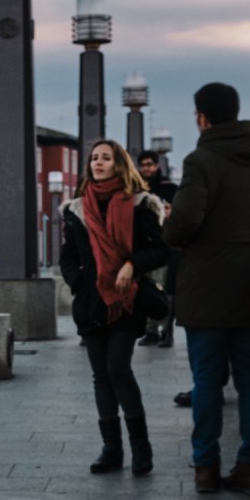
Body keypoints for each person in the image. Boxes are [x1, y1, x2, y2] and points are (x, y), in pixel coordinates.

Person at [163, 83, 250, 495]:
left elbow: (184, 224)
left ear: (202, 118)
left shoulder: (201, 161)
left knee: (207, 380)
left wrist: (170, 226)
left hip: (208, 287)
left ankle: (206, 468)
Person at [59, 139, 168, 476]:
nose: (98, 162)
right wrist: (78, 282)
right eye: (94, 158)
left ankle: (141, 447)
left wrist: (132, 265)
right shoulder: (77, 209)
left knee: (118, 368)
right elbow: (68, 256)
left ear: (119, 164)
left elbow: (161, 251)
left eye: (106, 158)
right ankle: (112, 448)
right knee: (101, 376)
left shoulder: (139, 205)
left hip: (126, 299)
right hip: (92, 302)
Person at [135, 150, 178, 347]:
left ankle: (166, 331)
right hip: (143, 248)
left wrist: (171, 213)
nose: (146, 168)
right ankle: (151, 331)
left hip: (163, 247)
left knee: (162, 289)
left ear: (157, 166)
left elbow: (181, 214)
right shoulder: (137, 190)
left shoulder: (169, 188)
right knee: (146, 289)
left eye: (150, 164)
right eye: (143, 165)